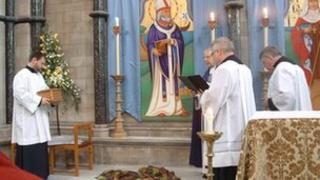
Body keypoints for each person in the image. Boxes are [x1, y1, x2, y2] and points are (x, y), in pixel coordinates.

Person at [199, 37, 256, 180]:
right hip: (242, 129)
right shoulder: (244, 68)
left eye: (212, 54)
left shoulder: (224, 69)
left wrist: (203, 95)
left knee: (225, 173)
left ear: (218, 52)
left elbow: (214, 100)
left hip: (228, 132)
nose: (212, 58)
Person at [11, 51, 52, 179]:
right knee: (30, 150)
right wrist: (39, 100)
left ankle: (41, 176)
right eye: (42, 63)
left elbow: (45, 91)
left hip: (40, 119)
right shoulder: (21, 75)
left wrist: (52, 99)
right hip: (28, 122)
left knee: (40, 149)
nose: (43, 66)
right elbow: (20, 94)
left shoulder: (39, 76)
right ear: (34, 60)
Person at [145, 0, 187, 117]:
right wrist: (154, 50)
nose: (167, 12)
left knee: (174, 82)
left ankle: (178, 108)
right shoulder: (154, 28)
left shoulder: (175, 27)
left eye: (168, 10)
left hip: (173, 59)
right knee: (162, 83)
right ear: (159, 12)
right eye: (165, 10)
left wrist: (173, 41)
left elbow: (181, 42)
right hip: (160, 61)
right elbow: (150, 44)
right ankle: (160, 108)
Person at [259, 46, 312, 111]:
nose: (265, 67)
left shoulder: (282, 69)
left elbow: (287, 97)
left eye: (264, 62)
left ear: (269, 57)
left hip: (291, 117)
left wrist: (269, 102)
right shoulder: (296, 68)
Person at [291, 0, 320, 109]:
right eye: (311, 2)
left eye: (316, 2)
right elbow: (295, 35)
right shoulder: (302, 19)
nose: (313, 5)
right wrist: (304, 32)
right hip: (310, 54)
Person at [189, 48, 215, 168]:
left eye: (208, 57)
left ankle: (209, 166)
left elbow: (214, 90)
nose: (205, 60)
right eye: (204, 57)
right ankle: (205, 165)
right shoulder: (209, 70)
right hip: (204, 107)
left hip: (212, 110)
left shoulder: (219, 71)